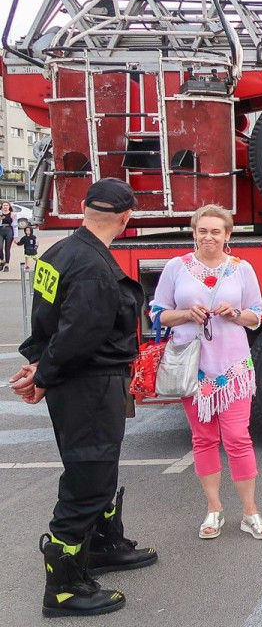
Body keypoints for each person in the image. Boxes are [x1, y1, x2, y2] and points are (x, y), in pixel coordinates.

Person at [10, 178, 157, 618]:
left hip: (78, 380)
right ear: (127, 218)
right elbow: (79, 335)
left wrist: (40, 364)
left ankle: (101, 548)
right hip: (89, 384)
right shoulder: (94, 266)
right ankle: (64, 587)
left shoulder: (60, 253)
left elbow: (45, 319)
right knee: (88, 478)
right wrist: (45, 374)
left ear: (82, 207)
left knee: (98, 467)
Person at [152, 204, 262, 541]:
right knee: (203, 439)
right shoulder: (176, 267)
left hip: (233, 369)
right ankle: (214, 510)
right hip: (193, 370)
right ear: (194, 233)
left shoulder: (242, 268)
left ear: (227, 235)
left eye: (215, 231)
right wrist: (185, 314)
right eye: (202, 230)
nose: (208, 237)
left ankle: (250, 512)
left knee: (238, 438)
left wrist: (236, 313)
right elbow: (158, 313)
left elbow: (257, 315)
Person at [0, 200, 15, 271]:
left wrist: (15, 236)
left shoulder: (12, 214)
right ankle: (2, 261)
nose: (5, 207)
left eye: (7, 205)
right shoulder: (0, 213)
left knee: (7, 249)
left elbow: (15, 225)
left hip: (9, 230)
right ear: (1, 206)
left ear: (9, 206)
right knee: (0, 247)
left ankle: (7, 265)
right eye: (4, 205)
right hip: (1, 229)